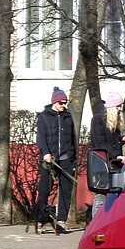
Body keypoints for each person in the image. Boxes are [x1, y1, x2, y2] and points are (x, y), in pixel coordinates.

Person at [35, 86, 77, 234]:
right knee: (45, 190)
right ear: (54, 102)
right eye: (61, 103)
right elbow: (41, 137)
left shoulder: (68, 117)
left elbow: (73, 138)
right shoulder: (44, 117)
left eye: (65, 103)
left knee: (66, 190)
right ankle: (41, 220)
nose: (63, 106)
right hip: (49, 159)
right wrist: (45, 153)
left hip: (66, 158)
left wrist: (73, 158)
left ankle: (61, 220)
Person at [88, 91, 125, 219]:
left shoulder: (113, 121)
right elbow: (100, 143)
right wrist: (117, 155)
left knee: (115, 192)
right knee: (101, 194)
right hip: (101, 163)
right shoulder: (98, 119)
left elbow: (111, 143)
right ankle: (97, 222)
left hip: (112, 162)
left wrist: (121, 141)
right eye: (118, 106)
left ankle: (109, 219)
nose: (120, 109)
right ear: (111, 106)